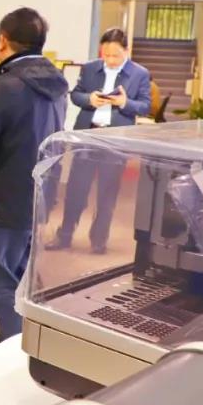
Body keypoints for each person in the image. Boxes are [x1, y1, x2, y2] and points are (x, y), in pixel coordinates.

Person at [0, 8, 68, 363]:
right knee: (21, 280)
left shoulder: (4, 86)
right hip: (37, 196)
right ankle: (7, 345)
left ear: (3, 41)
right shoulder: (56, 84)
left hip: (4, 199)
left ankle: (14, 359)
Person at [46, 27, 151, 254]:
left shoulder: (140, 74)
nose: (110, 60)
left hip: (115, 140)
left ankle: (99, 240)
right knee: (76, 189)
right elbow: (75, 94)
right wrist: (89, 99)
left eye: (115, 55)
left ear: (126, 51)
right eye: (106, 55)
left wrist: (124, 103)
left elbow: (145, 106)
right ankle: (65, 235)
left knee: (107, 193)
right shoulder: (90, 68)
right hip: (88, 136)